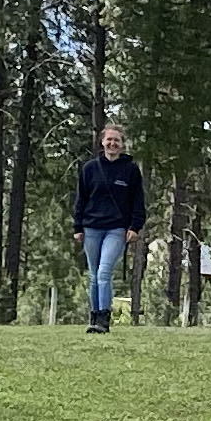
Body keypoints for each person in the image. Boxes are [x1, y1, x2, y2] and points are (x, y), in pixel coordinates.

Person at [71, 119, 146, 332]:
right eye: (109, 140)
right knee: (94, 274)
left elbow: (138, 201)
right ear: (102, 142)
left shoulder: (130, 170)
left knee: (104, 271)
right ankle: (94, 318)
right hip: (91, 228)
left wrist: (135, 227)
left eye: (117, 140)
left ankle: (104, 318)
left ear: (122, 145)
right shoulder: (89, 169)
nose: (112, 143)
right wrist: (78, 227)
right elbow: (81, 199)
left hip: (116, 229)